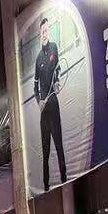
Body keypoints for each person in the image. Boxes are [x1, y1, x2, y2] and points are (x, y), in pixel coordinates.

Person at [34, 16, 67, 190]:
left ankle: (64, 179)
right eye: (42, 31)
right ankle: (46, 186)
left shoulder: (54, 47)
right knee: (45, 152)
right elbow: (35, 86)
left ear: (49, 32)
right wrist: (38, 101)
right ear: (40, 34)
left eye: (46, 30)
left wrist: (58, 81)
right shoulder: (38, 58)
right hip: (44, 111)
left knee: (59, 146)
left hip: (54, 105)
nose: (44, 33)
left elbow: (58, 68)